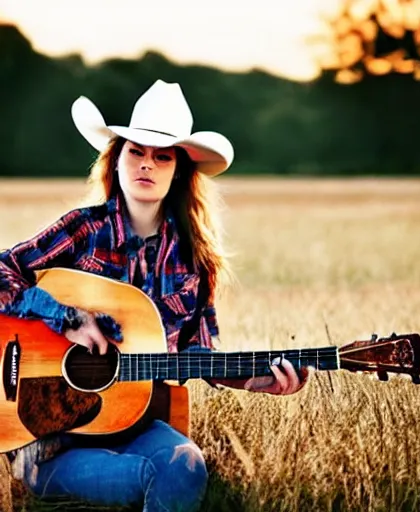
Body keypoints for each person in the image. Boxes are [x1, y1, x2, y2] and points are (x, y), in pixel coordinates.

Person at [0, 80, 308, 512]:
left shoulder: (196, 262)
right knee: (149, 477)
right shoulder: (84, 229)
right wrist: (66, 317)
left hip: (138, 423)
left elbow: (198, 354)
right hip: (49, 438)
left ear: (178, 169)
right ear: (118, 159)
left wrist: (254, 380)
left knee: (185, 465)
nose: (147, 164)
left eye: (162, 156)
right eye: (136, 151)